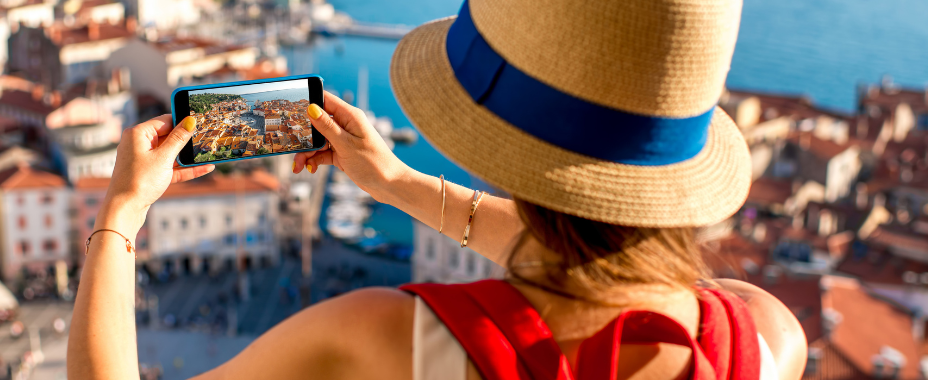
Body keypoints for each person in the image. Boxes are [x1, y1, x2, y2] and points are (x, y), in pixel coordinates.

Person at [67, 0, 808, 378]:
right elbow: (606, 269)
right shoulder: (766, 339)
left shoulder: (385, 338)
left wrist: (119, 218)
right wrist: (397, 184)